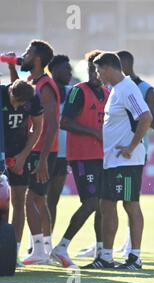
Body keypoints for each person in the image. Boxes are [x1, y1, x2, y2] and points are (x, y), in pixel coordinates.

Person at [82, 52, 152, 270]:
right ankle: (106, 257)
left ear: (110, 68)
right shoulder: (116, 90)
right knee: (106, 204)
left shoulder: (127, 88)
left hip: (127, 161)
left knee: (130, 205)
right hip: (113, 161)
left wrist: (131, 147)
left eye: (99, 69)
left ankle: (135, 258)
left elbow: (146, 117)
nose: (97, 74)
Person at [51, 50, 109, 268]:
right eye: (92, 69)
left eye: (98, 69)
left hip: (102, 155)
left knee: (103, 204)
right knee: (92, 202)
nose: (95, 73)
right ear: (88, 70)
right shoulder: (78, 91)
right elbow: (64, 122)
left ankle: (102, 253)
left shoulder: (106, 92)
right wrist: (93, 133)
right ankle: (62, 246)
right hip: (83, 156)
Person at [13, 40, 60, 265]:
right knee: (39, 200)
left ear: (38, 59)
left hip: (43, 151)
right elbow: (16, 94)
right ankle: (45, 249)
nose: (24, 55)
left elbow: (51, 124)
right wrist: (12, 67)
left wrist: (42, 160)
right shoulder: (33, 82)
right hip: (39, 149)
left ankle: (39, 250)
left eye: (28, 52)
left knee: (31, 199)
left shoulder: (46, 85)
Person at [115, 50, 154, 257]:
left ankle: (130, 244)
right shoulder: (114, 87)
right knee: (109, 200)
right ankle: (103, 245)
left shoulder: (144, 89)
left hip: (134, 151)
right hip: (115, 152)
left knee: (130, 199)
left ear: (125, 65)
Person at [0, 80, 42, 266]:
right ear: (10, 91)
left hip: (19, 153)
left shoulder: (34, 98)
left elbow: (38, 128)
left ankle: (13, 253)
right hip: (1, 151)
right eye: (14, 101)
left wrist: (23, 156)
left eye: (21, 104)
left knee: (18, 200)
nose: (17, 106)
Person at [47, 55, 72, 231]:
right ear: (54, 70)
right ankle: (36, 243)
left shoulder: (73, 92)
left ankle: (46, 243)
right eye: (66, 69)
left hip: (63, 155)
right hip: (44, 153)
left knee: (52, 201)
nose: (69, 72)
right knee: (38, 199)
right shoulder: (43, 90)